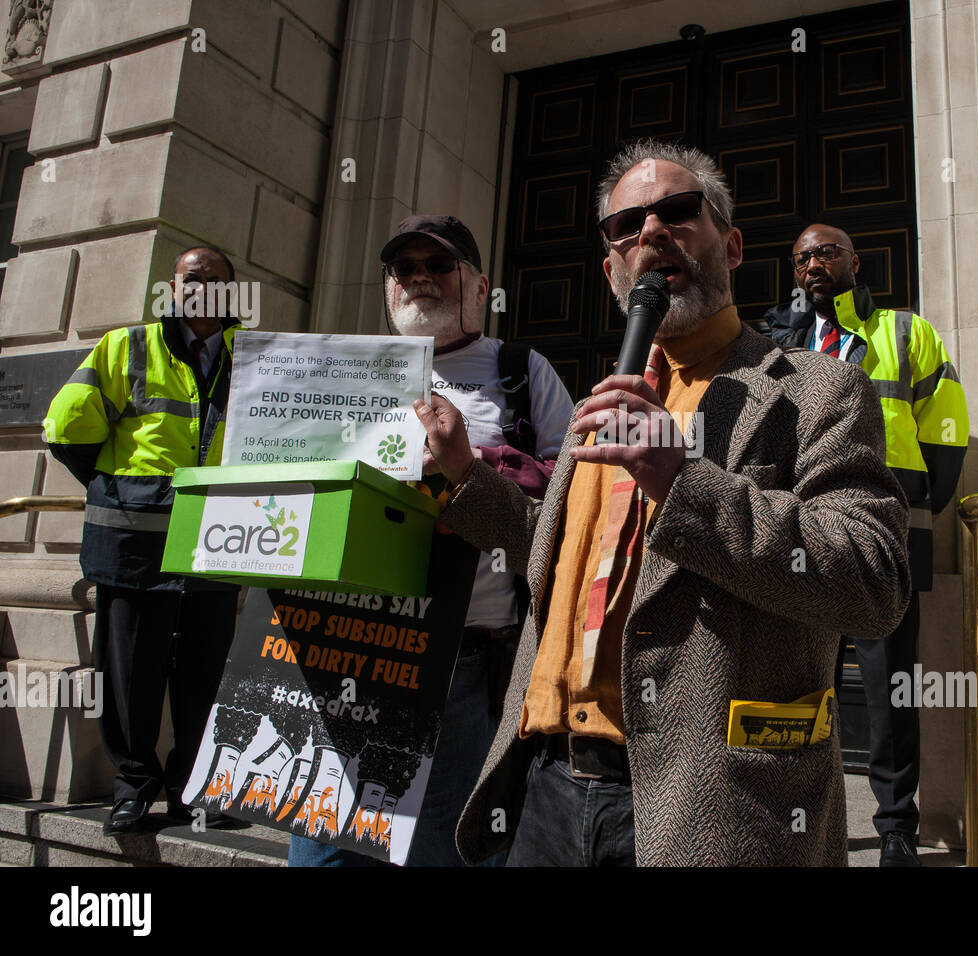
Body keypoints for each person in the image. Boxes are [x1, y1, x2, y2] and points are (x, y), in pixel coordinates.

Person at [415, 140, 912, 866]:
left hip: (710, 805)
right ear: (613, 268)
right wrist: (463, 476)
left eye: (678, 213)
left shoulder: (817, 391)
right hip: (543, 788)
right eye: (625, 227)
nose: (650, 232)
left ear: (733, 246)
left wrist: (681, 479)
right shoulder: (601, 402)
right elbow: (553, 555)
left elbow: (875, 580)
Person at [287, 214, 573, 867]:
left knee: (439, 854)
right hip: (337, 652)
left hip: (458, 666)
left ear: (478, 285)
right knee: (324, 859)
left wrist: (470, 465)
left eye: (437, 265)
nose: (418, 277)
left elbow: (568, 499)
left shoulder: (521, 370)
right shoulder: (341, 374)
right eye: (403, 268)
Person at [765, 224, 970, 866]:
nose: (813, 265)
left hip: (887, 534)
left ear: (854, 261)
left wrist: (923, 497)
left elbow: (947, 418)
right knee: (801, 681)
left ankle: (894, 829)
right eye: (802, 258)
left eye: (826, 253)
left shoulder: (906, 332)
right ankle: (800, 816)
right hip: (797, 537)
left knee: (891, 685)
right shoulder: (779, 340)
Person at [44, 246, 244, 835]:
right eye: (190, 279)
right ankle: (132, 788)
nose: (201, 287)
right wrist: (124, 494)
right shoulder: (125, 346)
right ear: (172, 288)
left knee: (205, 672)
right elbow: (66, 431)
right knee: (130, 672)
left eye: (214, 280)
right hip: (133, 547)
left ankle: (193, 791)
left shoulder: (258, 357)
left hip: (221, 541)